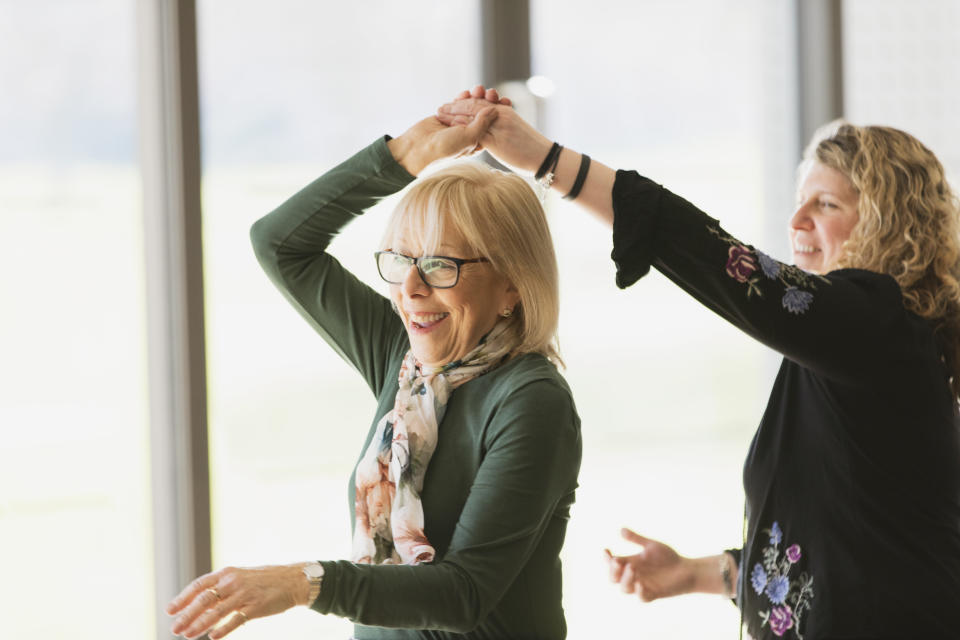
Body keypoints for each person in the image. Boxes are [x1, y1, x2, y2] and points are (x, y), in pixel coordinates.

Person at [438, 86, 960, 639]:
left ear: (888, 222)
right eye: (800, 200)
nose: (797, 221)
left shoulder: (876, 326)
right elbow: (843, 543)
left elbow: (714, 257)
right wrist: (694, 574)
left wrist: (544, 159)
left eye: (827, 204)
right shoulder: (858, 348)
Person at [165, 109, 582, 640]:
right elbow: (279, 244)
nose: (409, 289)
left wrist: (303, 584)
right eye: (400, 259)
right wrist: (405, 155)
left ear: (511, 287)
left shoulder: (531, 401)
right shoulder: (403, 359)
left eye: (440, 264)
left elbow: (463, 594)